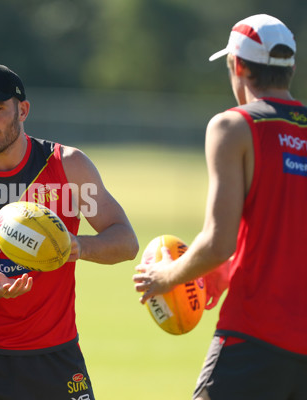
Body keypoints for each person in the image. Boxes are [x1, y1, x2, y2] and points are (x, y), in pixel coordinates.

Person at [0, 63, 138, 399]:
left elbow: (126, 242)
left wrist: (78, 246)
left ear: (23, 109)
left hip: (55, 356)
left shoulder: (68, 166)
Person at [133, 14, 307, 400]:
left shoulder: (234, 126)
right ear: (290, 68)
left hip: (255, 335)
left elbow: (217, 243)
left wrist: (165, 277)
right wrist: (223, 269)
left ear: (239, 66)